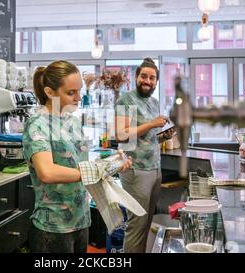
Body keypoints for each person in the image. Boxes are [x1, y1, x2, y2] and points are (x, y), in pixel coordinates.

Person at [23, 60, 131, 253]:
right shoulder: (37, 124)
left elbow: (77, 164)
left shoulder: (71, 121)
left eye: (79, 91)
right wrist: (95, 171)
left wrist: (112, 163)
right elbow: (47, 172)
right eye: (71, 93)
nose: (78, 98)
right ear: (49, 92)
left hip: (81, 220)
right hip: (53, 227)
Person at [114, 58, 174, 253]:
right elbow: (121, 135)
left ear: (156, 81)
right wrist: (151, 124)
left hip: (154, 168)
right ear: (136, 77)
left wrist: (163, 136)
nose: (147, 81)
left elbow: (147, 138)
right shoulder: (126, 100)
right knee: (137, 224)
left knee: (147, 223)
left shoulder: (154, 102)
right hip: (136, 169)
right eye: (143, 76)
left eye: (152, 77)